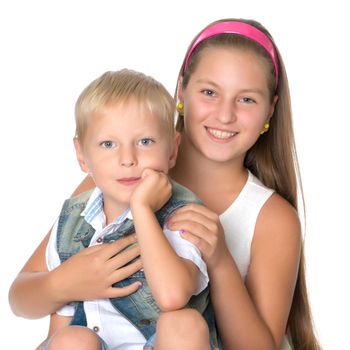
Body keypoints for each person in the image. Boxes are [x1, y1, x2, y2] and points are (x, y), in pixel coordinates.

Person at [8, 19, 321, 349]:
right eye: (209, 92)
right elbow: (21, 297)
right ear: (182, 91)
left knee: (181, 324)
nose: (225, 115)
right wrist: (61, 285)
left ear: (270, 110)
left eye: (246, 100)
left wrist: (219, 260)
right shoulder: (116, 178)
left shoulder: (271, 217)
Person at [29, 68, 216, 350]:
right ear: (82, 156)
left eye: (145, 142)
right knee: (71, 340)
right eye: (108, 144)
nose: (127, 159)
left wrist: (142, 209)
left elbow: (172, 296)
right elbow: (59, 322)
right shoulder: (72, 221)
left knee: (184, 324)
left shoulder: (182, 215)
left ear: (173, 149)